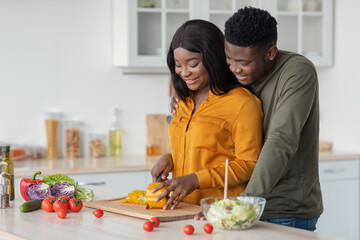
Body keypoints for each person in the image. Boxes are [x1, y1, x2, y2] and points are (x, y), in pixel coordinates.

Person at [171, 7, 323, 231]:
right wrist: (182, 90)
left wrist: (245, 205)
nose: (233, 68)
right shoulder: (240, 74)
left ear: (270, 53)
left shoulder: (297, 72)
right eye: (228, 58)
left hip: (283, 210)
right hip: (241, 205)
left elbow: (280, 140)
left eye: (242, 62)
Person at [150, 19, 263, 210]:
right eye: (178, 65)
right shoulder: (182, 101)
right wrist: (171, 158)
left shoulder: (242, 103)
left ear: (213, 59)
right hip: (181, 209)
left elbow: (249, 164)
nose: (184, 72)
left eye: (192, 64)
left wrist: (196, 180)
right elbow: (201, 150)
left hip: (221, 211)